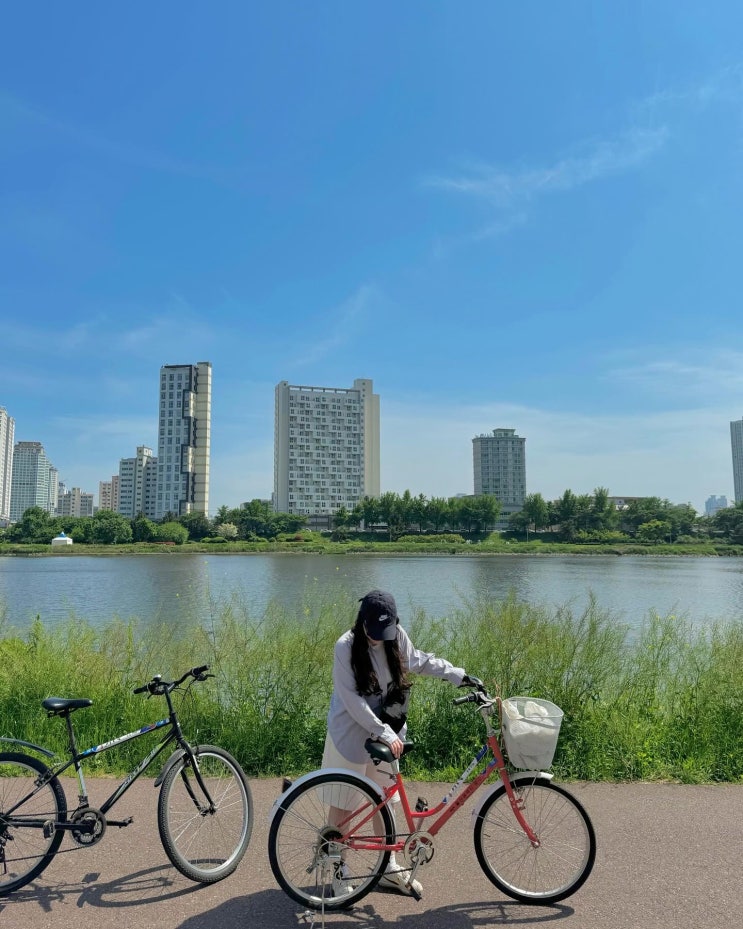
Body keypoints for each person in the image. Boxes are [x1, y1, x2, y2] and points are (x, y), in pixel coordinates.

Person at [322, 589, 477, 898]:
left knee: (387, 799)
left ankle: (388, 867)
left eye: (386, 630)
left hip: (386, 732)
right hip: (350, 733)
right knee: (343, 804)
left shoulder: (395, 635)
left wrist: (457, 675)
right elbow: (352, 700)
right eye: (374, 630)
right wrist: (384, 732)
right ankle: (339, 869)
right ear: (362, 622)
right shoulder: (345, 647)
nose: (379, 637)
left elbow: (417, 660)